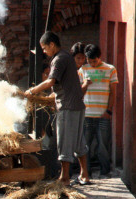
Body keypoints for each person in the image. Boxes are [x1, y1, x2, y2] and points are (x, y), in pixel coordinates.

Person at [25, 31, 90, 186]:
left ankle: (65, 178)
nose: (44, 51)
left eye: (44, 48)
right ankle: (84, 174)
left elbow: (50, 82)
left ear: (52, 45)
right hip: (78, 105)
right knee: (78, 140)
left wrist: (32, 91)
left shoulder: (59, 59)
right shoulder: (66, 57)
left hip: (67, 107)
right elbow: (65, 86)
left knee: (65, 141)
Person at [80, 44, 118, 177]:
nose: (92, 64)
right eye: (89, 61)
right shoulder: (83, 69)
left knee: (103, 146)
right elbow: (79, 92)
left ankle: (104, 173)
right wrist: (85, 83)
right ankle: (86, 173)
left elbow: (113, 93)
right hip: (87, 114)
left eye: (94, 61)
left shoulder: (110, 69)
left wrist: (109, 111)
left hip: (103, 115)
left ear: (99, 57)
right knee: (85, 146)